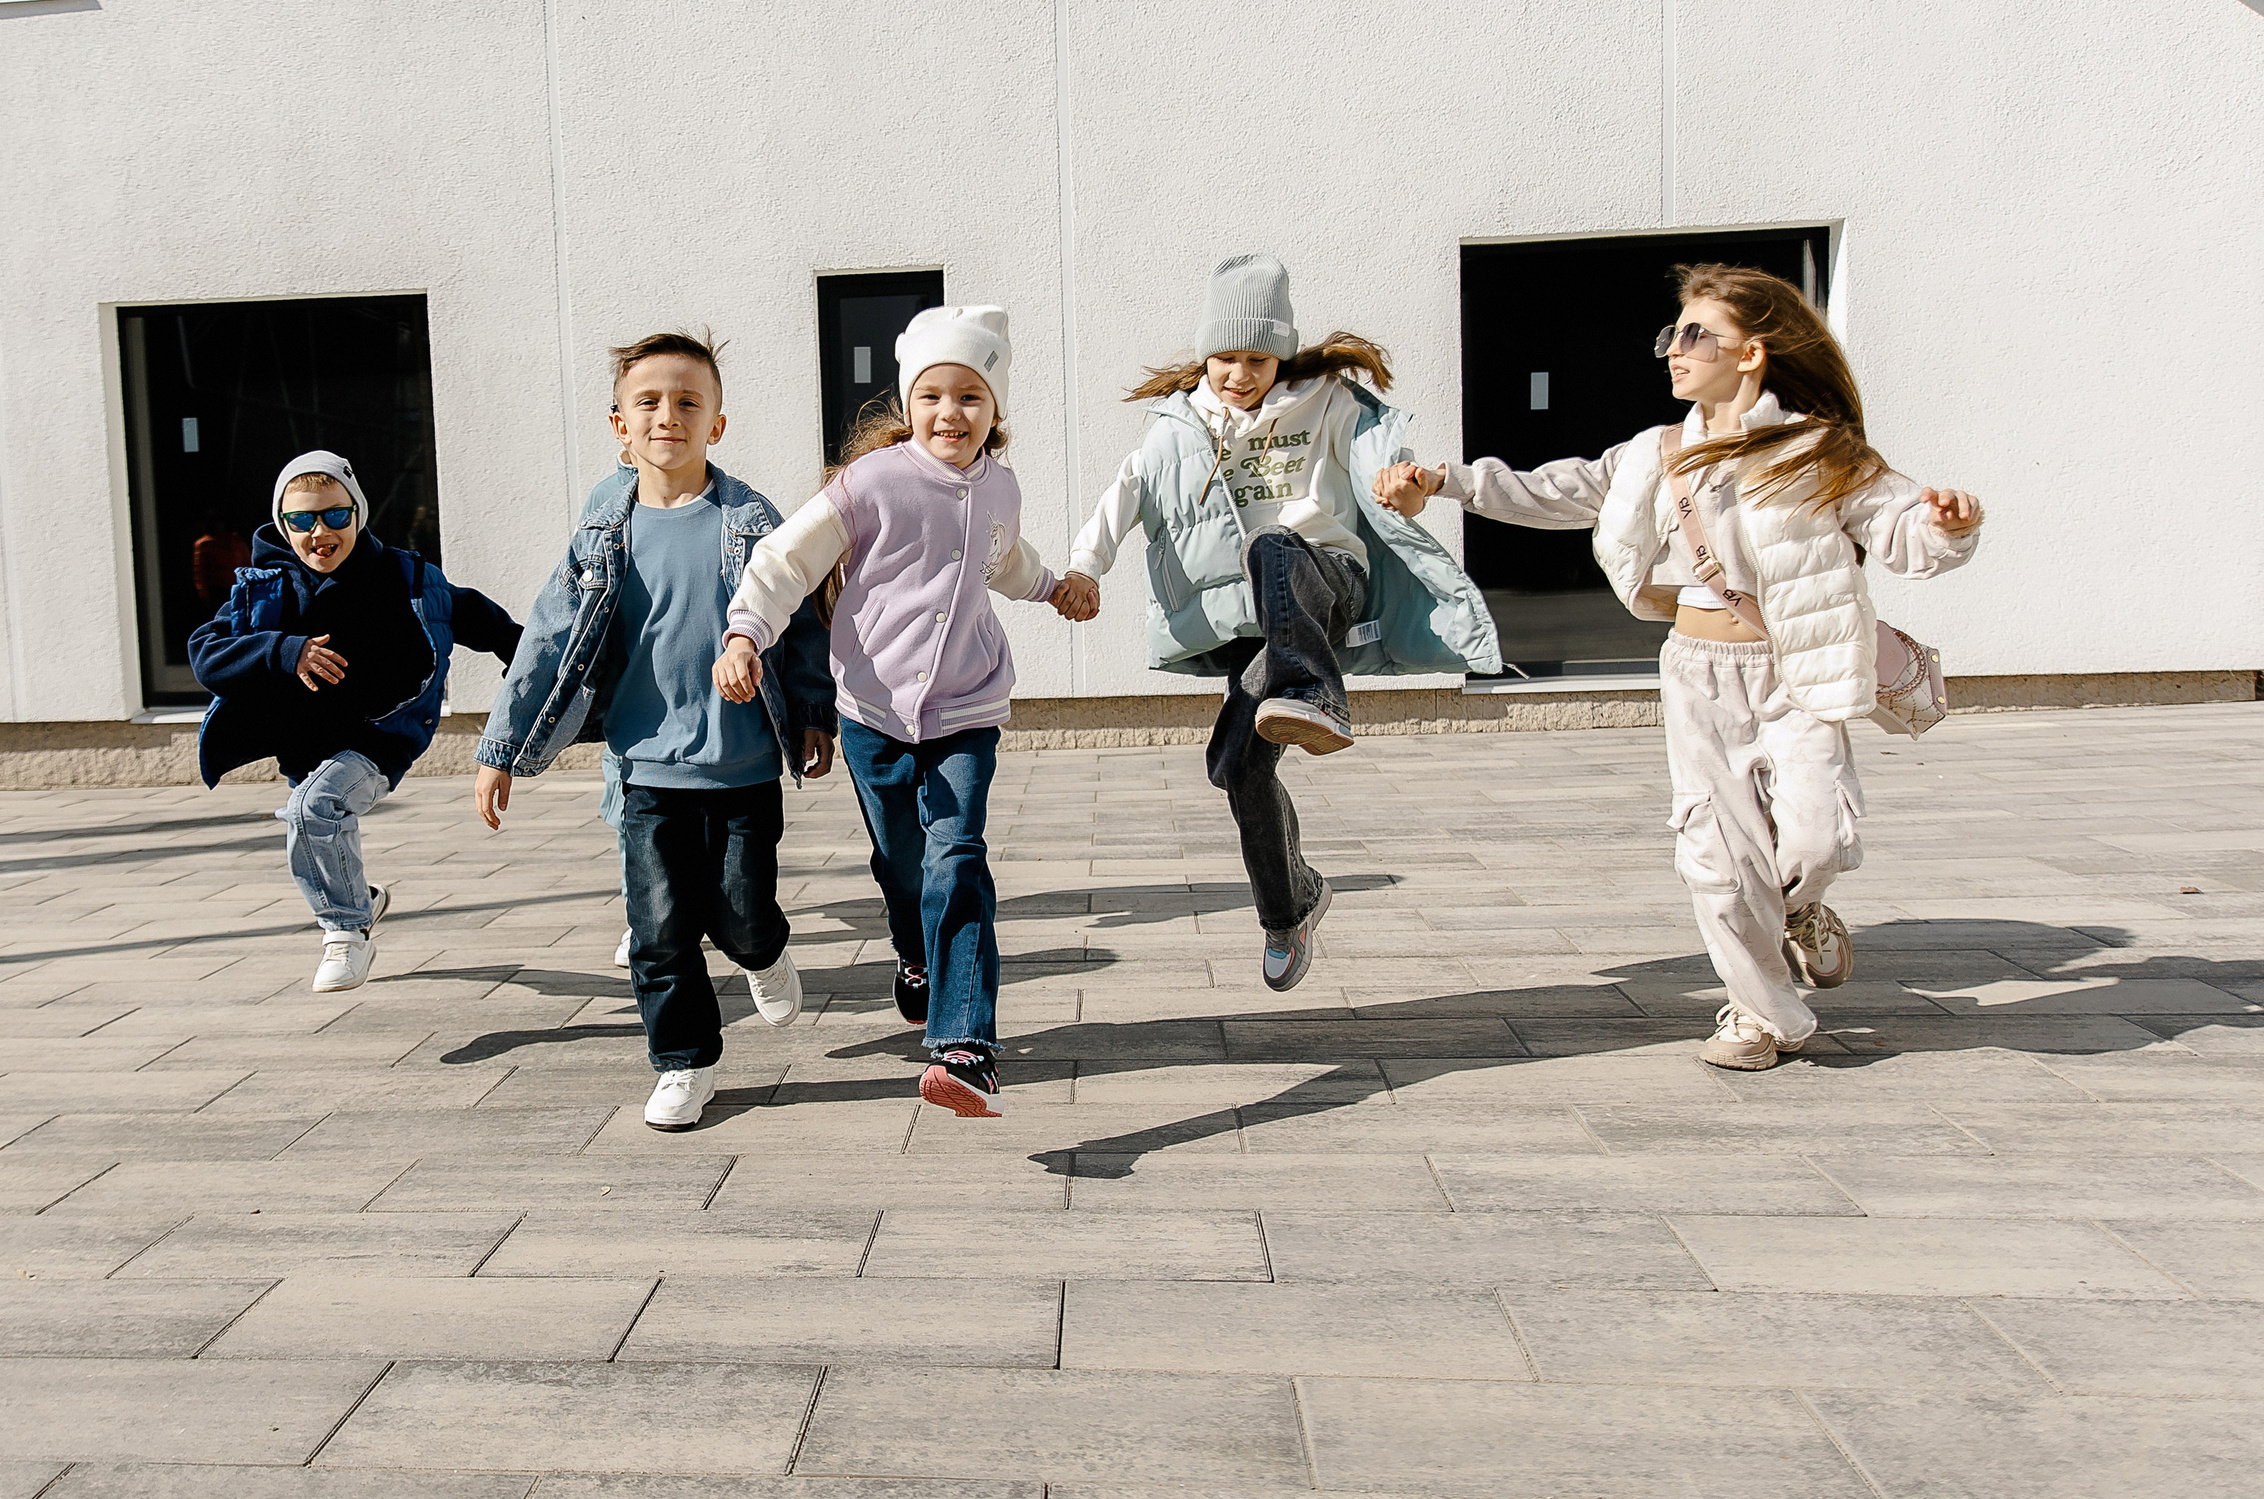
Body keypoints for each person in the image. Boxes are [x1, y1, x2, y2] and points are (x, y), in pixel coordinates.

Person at [1380, 263, 1983, 1069]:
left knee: (1818, 841)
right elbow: (1557, 489)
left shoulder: (1820, 450)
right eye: (1673, 334)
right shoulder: (1653, 455)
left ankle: (1801, 912)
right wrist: (1446, 481)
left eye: (1696, 334)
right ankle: (1758, 1015)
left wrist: (1948, 523)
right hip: (1698, 673)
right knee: (1722, 863)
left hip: (1798, 668)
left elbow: (1902, 529)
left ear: (1753, 354)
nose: (1674, 348)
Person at [1063, 254, 1501, 992]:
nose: (1241, 374)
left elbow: (1380, 447)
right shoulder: (1180, 424)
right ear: (1207, 354)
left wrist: (1406, 477)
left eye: (1258, 359)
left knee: (1276, 545)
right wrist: (1084, 567)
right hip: (1265, 620)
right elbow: (1125, 493)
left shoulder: (1323, 400)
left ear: (1282, 354)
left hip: (1328, 577)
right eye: (1227, 358)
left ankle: (1318, 695)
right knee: (1234, 764)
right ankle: (1290, 904)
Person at [713, 305, 1096, 1118]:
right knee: (900, 860)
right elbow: (788, 559)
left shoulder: (1000, 486)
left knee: (956, 856)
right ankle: (914, 952)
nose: (949, 413)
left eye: (969, 397)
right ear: (909, 402)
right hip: (873, 709)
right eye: (932, 396)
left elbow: (1005, 558)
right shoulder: (873, 482)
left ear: (994, 412)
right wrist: (746, 631)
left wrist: (1051, 585)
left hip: (966, 705)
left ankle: (966, 1044)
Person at [473, 332, 837, 1132]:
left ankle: (764, 952)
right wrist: (502, 747)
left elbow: (802, 618)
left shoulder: (749, 518)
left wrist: (813, 709)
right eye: (649, 402)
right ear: (619, 426)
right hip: (646, 772)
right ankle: (684, 1062)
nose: (667, 415)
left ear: (718, 422)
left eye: (687, 401)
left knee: (741, 913)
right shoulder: (605, 531)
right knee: (660, 928)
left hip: (742, 766)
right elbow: (547, 633)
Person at [190, 451, 522, 993]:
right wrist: (282, 651)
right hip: (303, 744)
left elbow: (484, 621)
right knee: (309, 816)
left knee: (313, 807)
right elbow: (206, 653)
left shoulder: (404, 576)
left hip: (381, 738)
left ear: (357, 514)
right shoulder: (265, 587)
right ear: (283, 525)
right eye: (301, 521)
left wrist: (547, 669)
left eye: (334, 516)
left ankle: (346, 931)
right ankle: (362, 900)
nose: (319, 532)